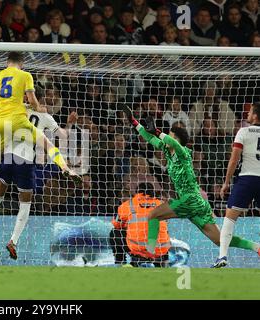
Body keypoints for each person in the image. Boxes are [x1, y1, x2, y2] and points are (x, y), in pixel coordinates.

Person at [123, 105, 260, 258]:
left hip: (190, 199)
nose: (167, 137)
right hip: (198, 203)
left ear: (176, 139)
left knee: (153, 215)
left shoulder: (183, 152)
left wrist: (156, 131)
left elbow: (170, 142)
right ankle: (256, 247)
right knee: (219, 240)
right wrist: (133, 121)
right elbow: (149, 138)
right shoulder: (167, 149)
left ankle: (148, 253)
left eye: (170, 135)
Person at [0, 52, 80, 207]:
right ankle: (66, 168)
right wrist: (40, 108)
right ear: (22, 64)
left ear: (7, 62)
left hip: (0, 125)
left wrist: (0, 103)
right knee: (49, 146)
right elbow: (61, 133)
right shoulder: (25, 77)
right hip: (23, 143)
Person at [0, 102, 65, 260]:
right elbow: (62, 134)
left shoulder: (17, 107)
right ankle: (13, 241)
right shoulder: (45, 116)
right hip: (26, 160)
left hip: (8, 155)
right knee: (25, 204)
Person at [214, 103, 260, 267]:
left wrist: (226, 182)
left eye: (249, 112)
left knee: (230, 217)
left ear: (255, 116)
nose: (247, 114)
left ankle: (222, 256)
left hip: (247, 179)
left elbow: (234, 160)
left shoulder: (244, 131)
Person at [110, 183, 170, 267]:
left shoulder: (128, 204)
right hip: (160, 249)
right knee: (164, 231)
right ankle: (165, 261)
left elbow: (116, 224)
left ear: (137, 192)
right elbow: (166, 223)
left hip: (138, 248)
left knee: (115, 232)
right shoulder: (162, 205)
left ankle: (120, 262)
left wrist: (129, 225)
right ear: (153, 192)